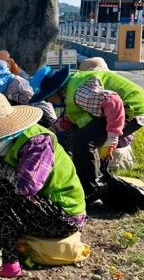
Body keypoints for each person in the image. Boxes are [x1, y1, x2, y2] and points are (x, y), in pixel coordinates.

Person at [0, 91, 86, 278]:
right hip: (35, 208)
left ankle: (7, 261)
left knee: (1, 190)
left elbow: (27, 187)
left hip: (63, 215)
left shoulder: (37, 142)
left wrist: (1, 170)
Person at [29, 66, 144, 198]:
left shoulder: (78, 93)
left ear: (55, 91)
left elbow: (113, 102)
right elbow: (75, 116)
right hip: (117, 110)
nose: (47, 101)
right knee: (82, 135)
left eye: (46, 97)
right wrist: (53, 130)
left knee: (83, 140)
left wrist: (112, 137)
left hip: (132, 109)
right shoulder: (70, 91)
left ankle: (91, 189)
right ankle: (95, 182)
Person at [0, 59, 57, 128]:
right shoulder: (5, 88)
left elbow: (30, 99)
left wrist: (11, 96)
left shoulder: (17, 81)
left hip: (44, 116)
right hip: (29, 117)